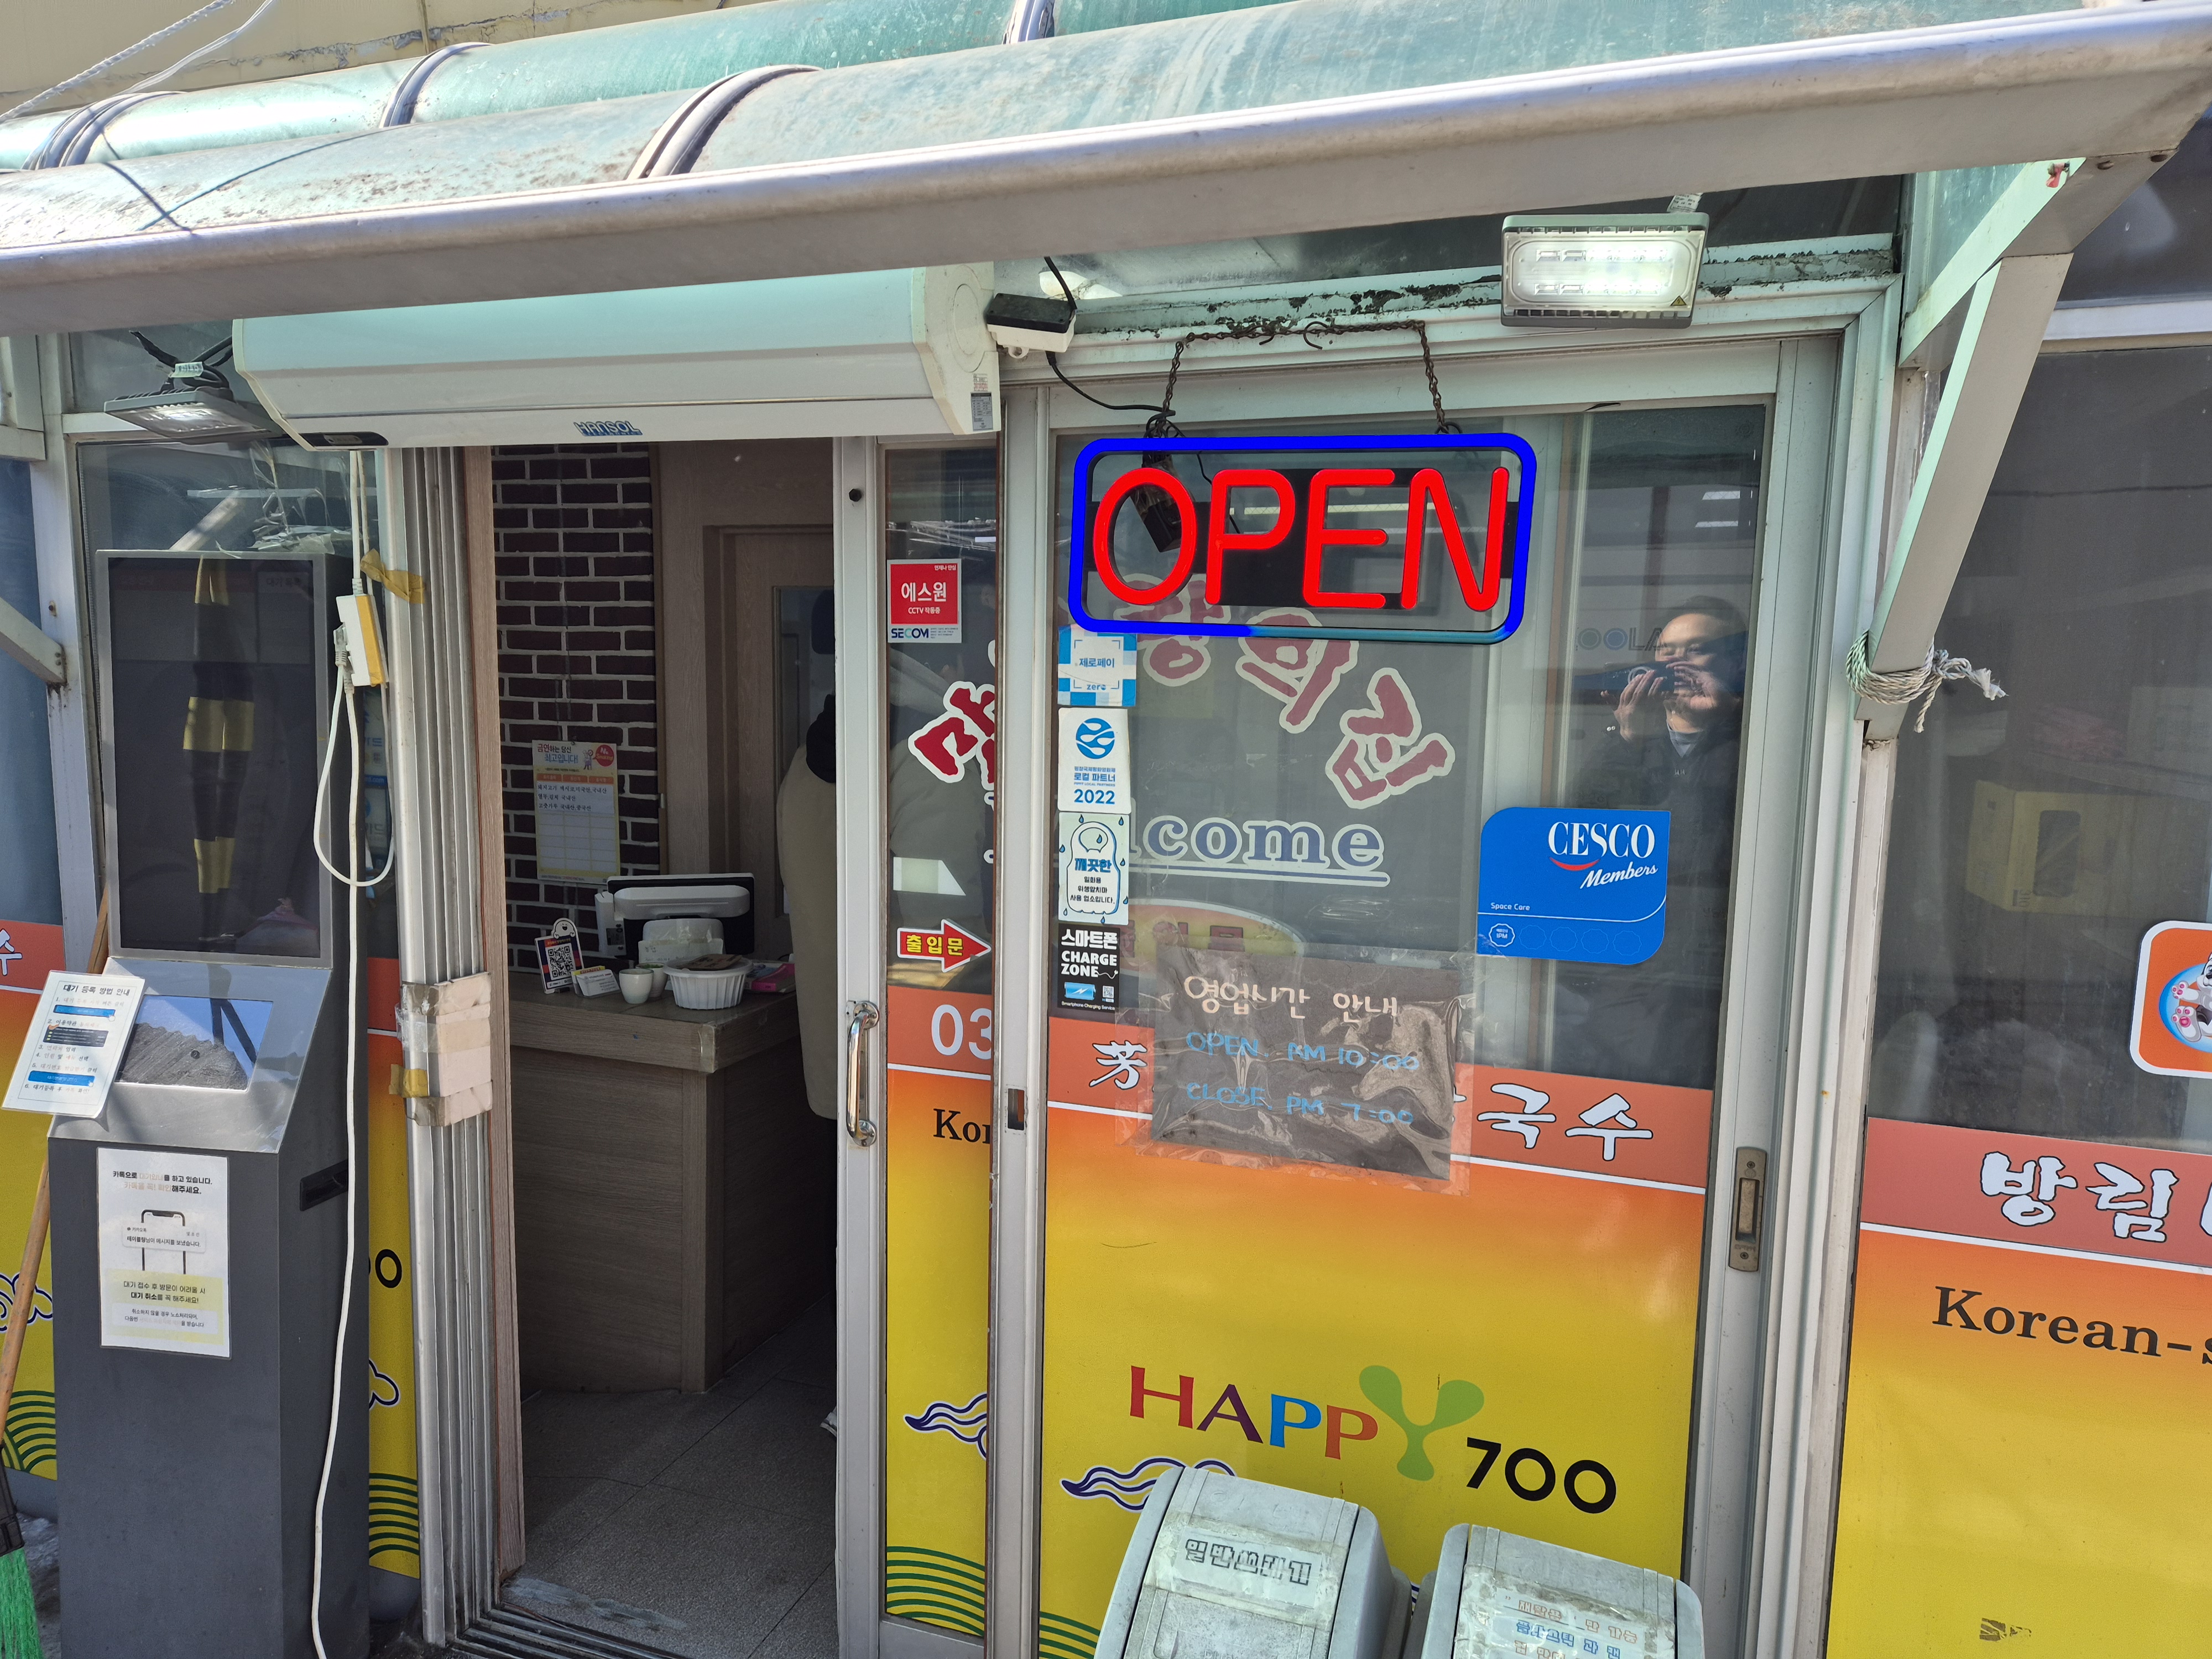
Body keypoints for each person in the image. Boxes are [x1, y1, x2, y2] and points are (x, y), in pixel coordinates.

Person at [1559, 597, 1748, 1090]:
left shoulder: (1758, 741)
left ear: (1736, 664)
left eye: (1698, 650)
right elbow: (1573, 834)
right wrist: (1628, 740)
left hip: (1720, 972)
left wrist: (1732, 717)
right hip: (1630, 969)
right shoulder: (1634, 743)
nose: (1678, 664)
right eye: (1667, 653)